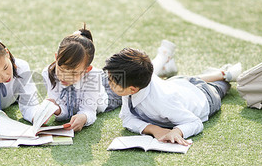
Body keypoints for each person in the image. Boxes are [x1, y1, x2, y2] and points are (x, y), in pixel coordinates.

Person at [103, 47, 242, 145]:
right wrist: (153, 129)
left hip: (203, 97)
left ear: (132, 89)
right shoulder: (130, 85)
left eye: (111, 81)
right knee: (189, 79)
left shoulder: (162, 101)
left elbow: (195, 123)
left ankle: (225, 75)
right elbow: (127, 118)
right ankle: (217, 73)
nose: (109, 83)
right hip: (177, 84)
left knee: (221, 87)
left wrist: (177, 131)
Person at [42, 25, 121, 132]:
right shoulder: (48, 73)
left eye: (73, 73)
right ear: (56, 58)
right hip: (87, 83)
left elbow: (89, 111)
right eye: (61, 70)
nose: (64, 77)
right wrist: (57, 109)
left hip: (103, 96)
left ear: (87, 69)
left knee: (123, 86)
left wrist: (84, 117)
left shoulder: (92, 76)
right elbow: (64, 111)